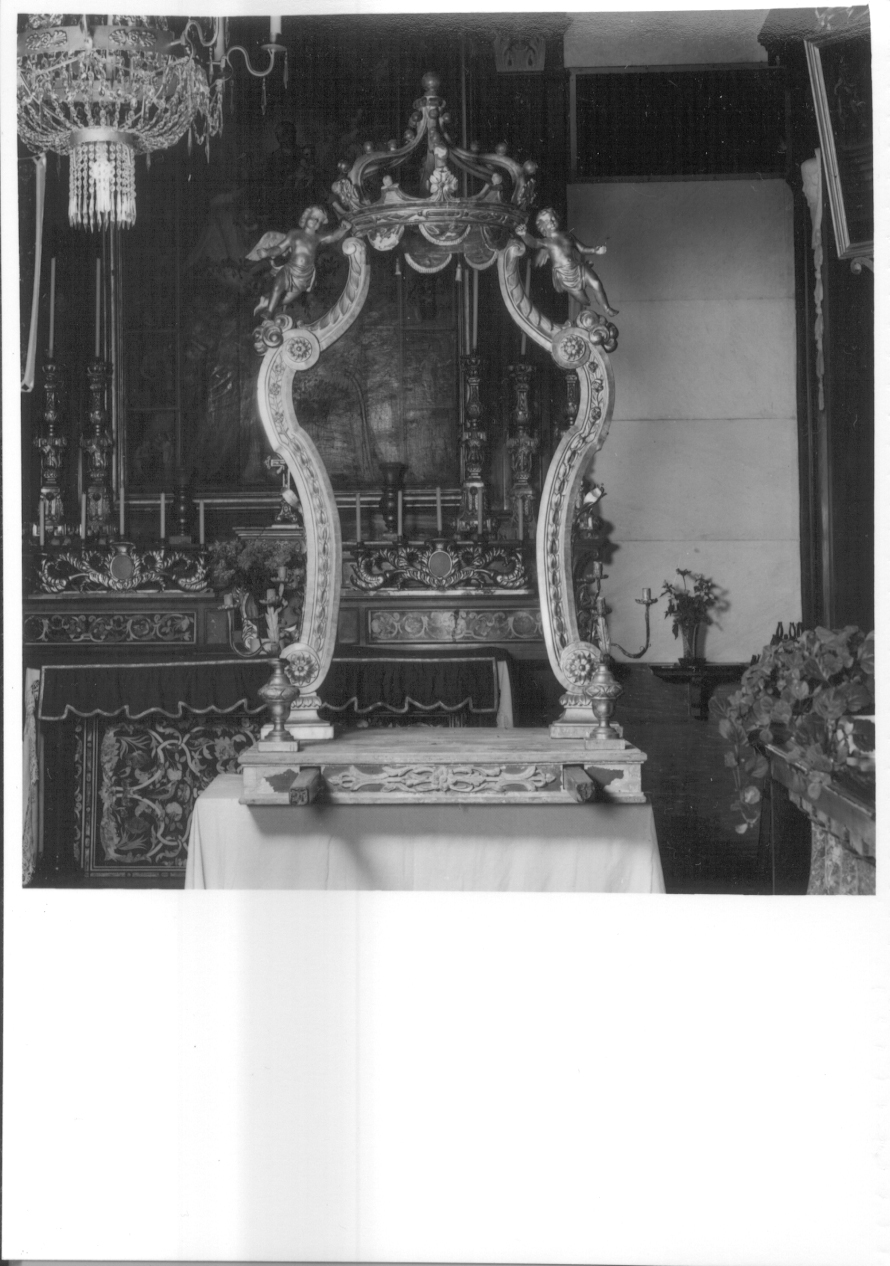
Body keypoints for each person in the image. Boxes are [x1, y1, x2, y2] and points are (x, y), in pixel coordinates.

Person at [246, 205, 351, 318]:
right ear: (306, 217)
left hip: (304, 275)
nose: (316, 221)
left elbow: (333, 237)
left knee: (286, 300)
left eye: (319, 221)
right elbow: (280, 248)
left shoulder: (318, 238)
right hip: (289, 269)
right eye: (314, 217)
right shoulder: (294, 234)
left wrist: (342, 229)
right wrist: (267, 252)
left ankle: (266, 302)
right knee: (277, 286)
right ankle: (269, 311)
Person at [520, 206, 618, 318]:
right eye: (547, 221)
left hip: (578, 267)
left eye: (552, 218)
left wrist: (595, 250)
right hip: (564, 274)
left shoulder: (568, 235)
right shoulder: (546, 242)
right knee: (584, 300)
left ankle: (607, 308)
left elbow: (582, 249)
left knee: (596, 283)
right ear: (542, 227)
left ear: (557, 218)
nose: (551, 222)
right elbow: (533, 243)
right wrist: (524, 235)